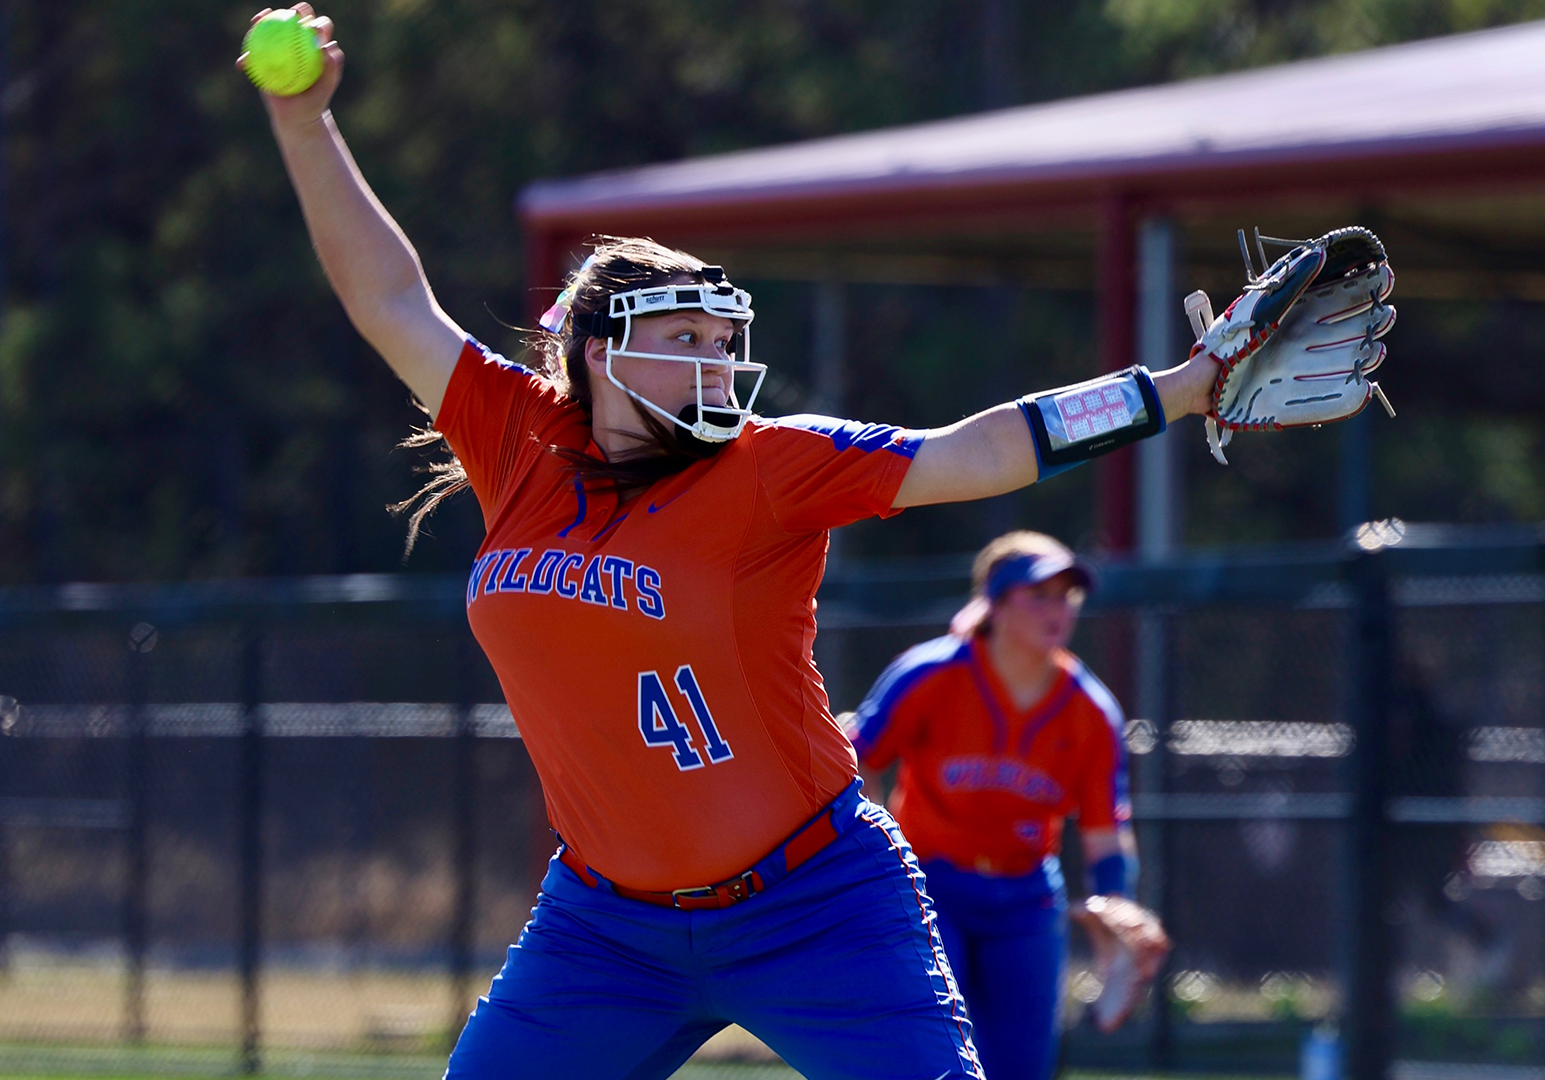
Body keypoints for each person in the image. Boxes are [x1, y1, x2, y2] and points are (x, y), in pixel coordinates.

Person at [245, 8, 1218, 1077]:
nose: (716, 366)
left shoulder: (766, 463)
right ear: (596, 351)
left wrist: (1179, 390)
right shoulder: (522, 437)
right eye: (684, 339)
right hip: (607, 927)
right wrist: (303, 128)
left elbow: (977, 452)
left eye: (724, 342)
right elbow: (389, 298)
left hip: (814, 900)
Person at [846, 531, 1171, 1080]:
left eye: (1066, 596)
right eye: (1038, 594)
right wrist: (868, 857)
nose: (1058, 610)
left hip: (1025, 898)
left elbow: (1104, 831)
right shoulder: (930, 674)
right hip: (930, 888)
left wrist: (1116, 907)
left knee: (1021, 1067)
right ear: (993, 605)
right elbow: (855, 755)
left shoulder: (1091, 711)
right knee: (933, 1058)